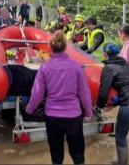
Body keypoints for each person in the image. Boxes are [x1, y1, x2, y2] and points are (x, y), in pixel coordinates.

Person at [26, 31, 92, 164]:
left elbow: (37, 93)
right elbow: (84, 92)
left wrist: (29, 109)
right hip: (73, 116)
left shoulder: (45, 67)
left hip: (53, 116)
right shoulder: (76, 66)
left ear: (50, 48)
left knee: (56, 155)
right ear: (65, 47)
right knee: (78, 153)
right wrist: (88, 111)